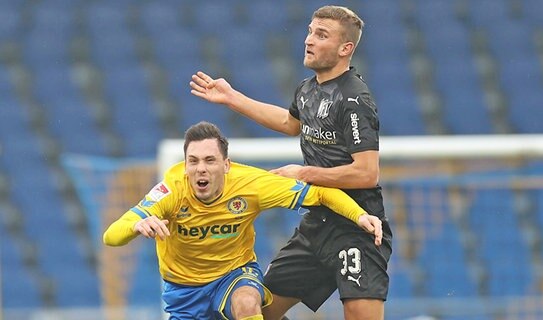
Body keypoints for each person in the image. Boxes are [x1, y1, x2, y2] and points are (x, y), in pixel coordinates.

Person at [189, 5, 392, 320]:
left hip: (357, 228)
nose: (309, 40)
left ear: (345, 48)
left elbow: (366, 173)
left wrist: (304, 174)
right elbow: (289, 122)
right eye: (310, 31)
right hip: (316, 226)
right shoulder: (308, 90)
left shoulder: (355, 100)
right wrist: (232, 98)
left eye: (321, 35)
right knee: (256, 310)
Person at [103, 121, 383, 320]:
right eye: (193, 161)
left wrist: (358, 214)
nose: (201, 168)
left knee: (248, 303)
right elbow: (111, 236)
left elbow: (320, 193)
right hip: (184, 292)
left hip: (234, 275)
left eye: (210, 160)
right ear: (186, 165)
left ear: (226, 165)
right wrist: (136, 225)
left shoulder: (250, 184)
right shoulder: (171, 191)